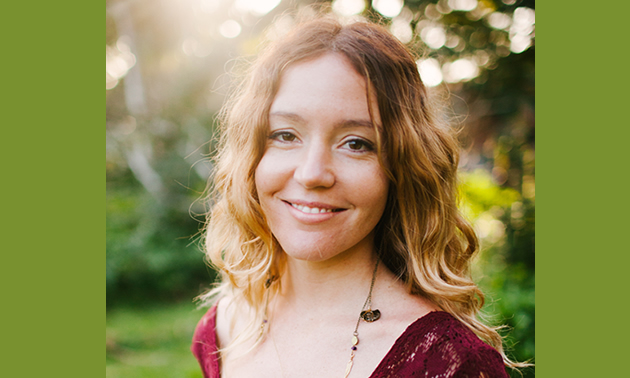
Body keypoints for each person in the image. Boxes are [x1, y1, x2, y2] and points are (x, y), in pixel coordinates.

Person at [192, 14, 522, 378]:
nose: (313, 173)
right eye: (285, 135)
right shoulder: (224, 328)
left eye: (356, 143)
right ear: (252, 153)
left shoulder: (448, 363)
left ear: (403, 168)